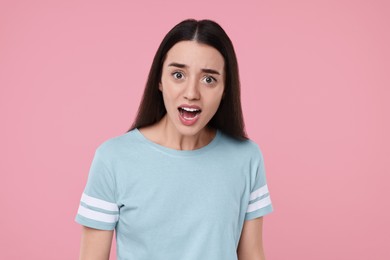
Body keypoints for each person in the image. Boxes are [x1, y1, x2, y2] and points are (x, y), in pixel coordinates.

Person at [75, 18, 274, 260]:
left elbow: (252, 254)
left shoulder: (246, 158)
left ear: (225, 90)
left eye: (209, 79)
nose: (191, 93)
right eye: (178, 74)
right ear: (159, 80)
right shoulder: (113, 159)